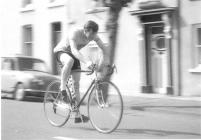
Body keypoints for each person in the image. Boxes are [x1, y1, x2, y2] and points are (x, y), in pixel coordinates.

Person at [54, 20, 110, 123]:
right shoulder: (75, 32)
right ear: (86, 30)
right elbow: (74, 50)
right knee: (69, 60)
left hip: (74, 55)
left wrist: (106, 62)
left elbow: (103, 48)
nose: (93, 37)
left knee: (76, 85)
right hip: (62, 51)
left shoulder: (93, 36)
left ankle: (77, 115)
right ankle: (62, 88)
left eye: (95, 34)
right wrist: (87, 62)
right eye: (92, 34)